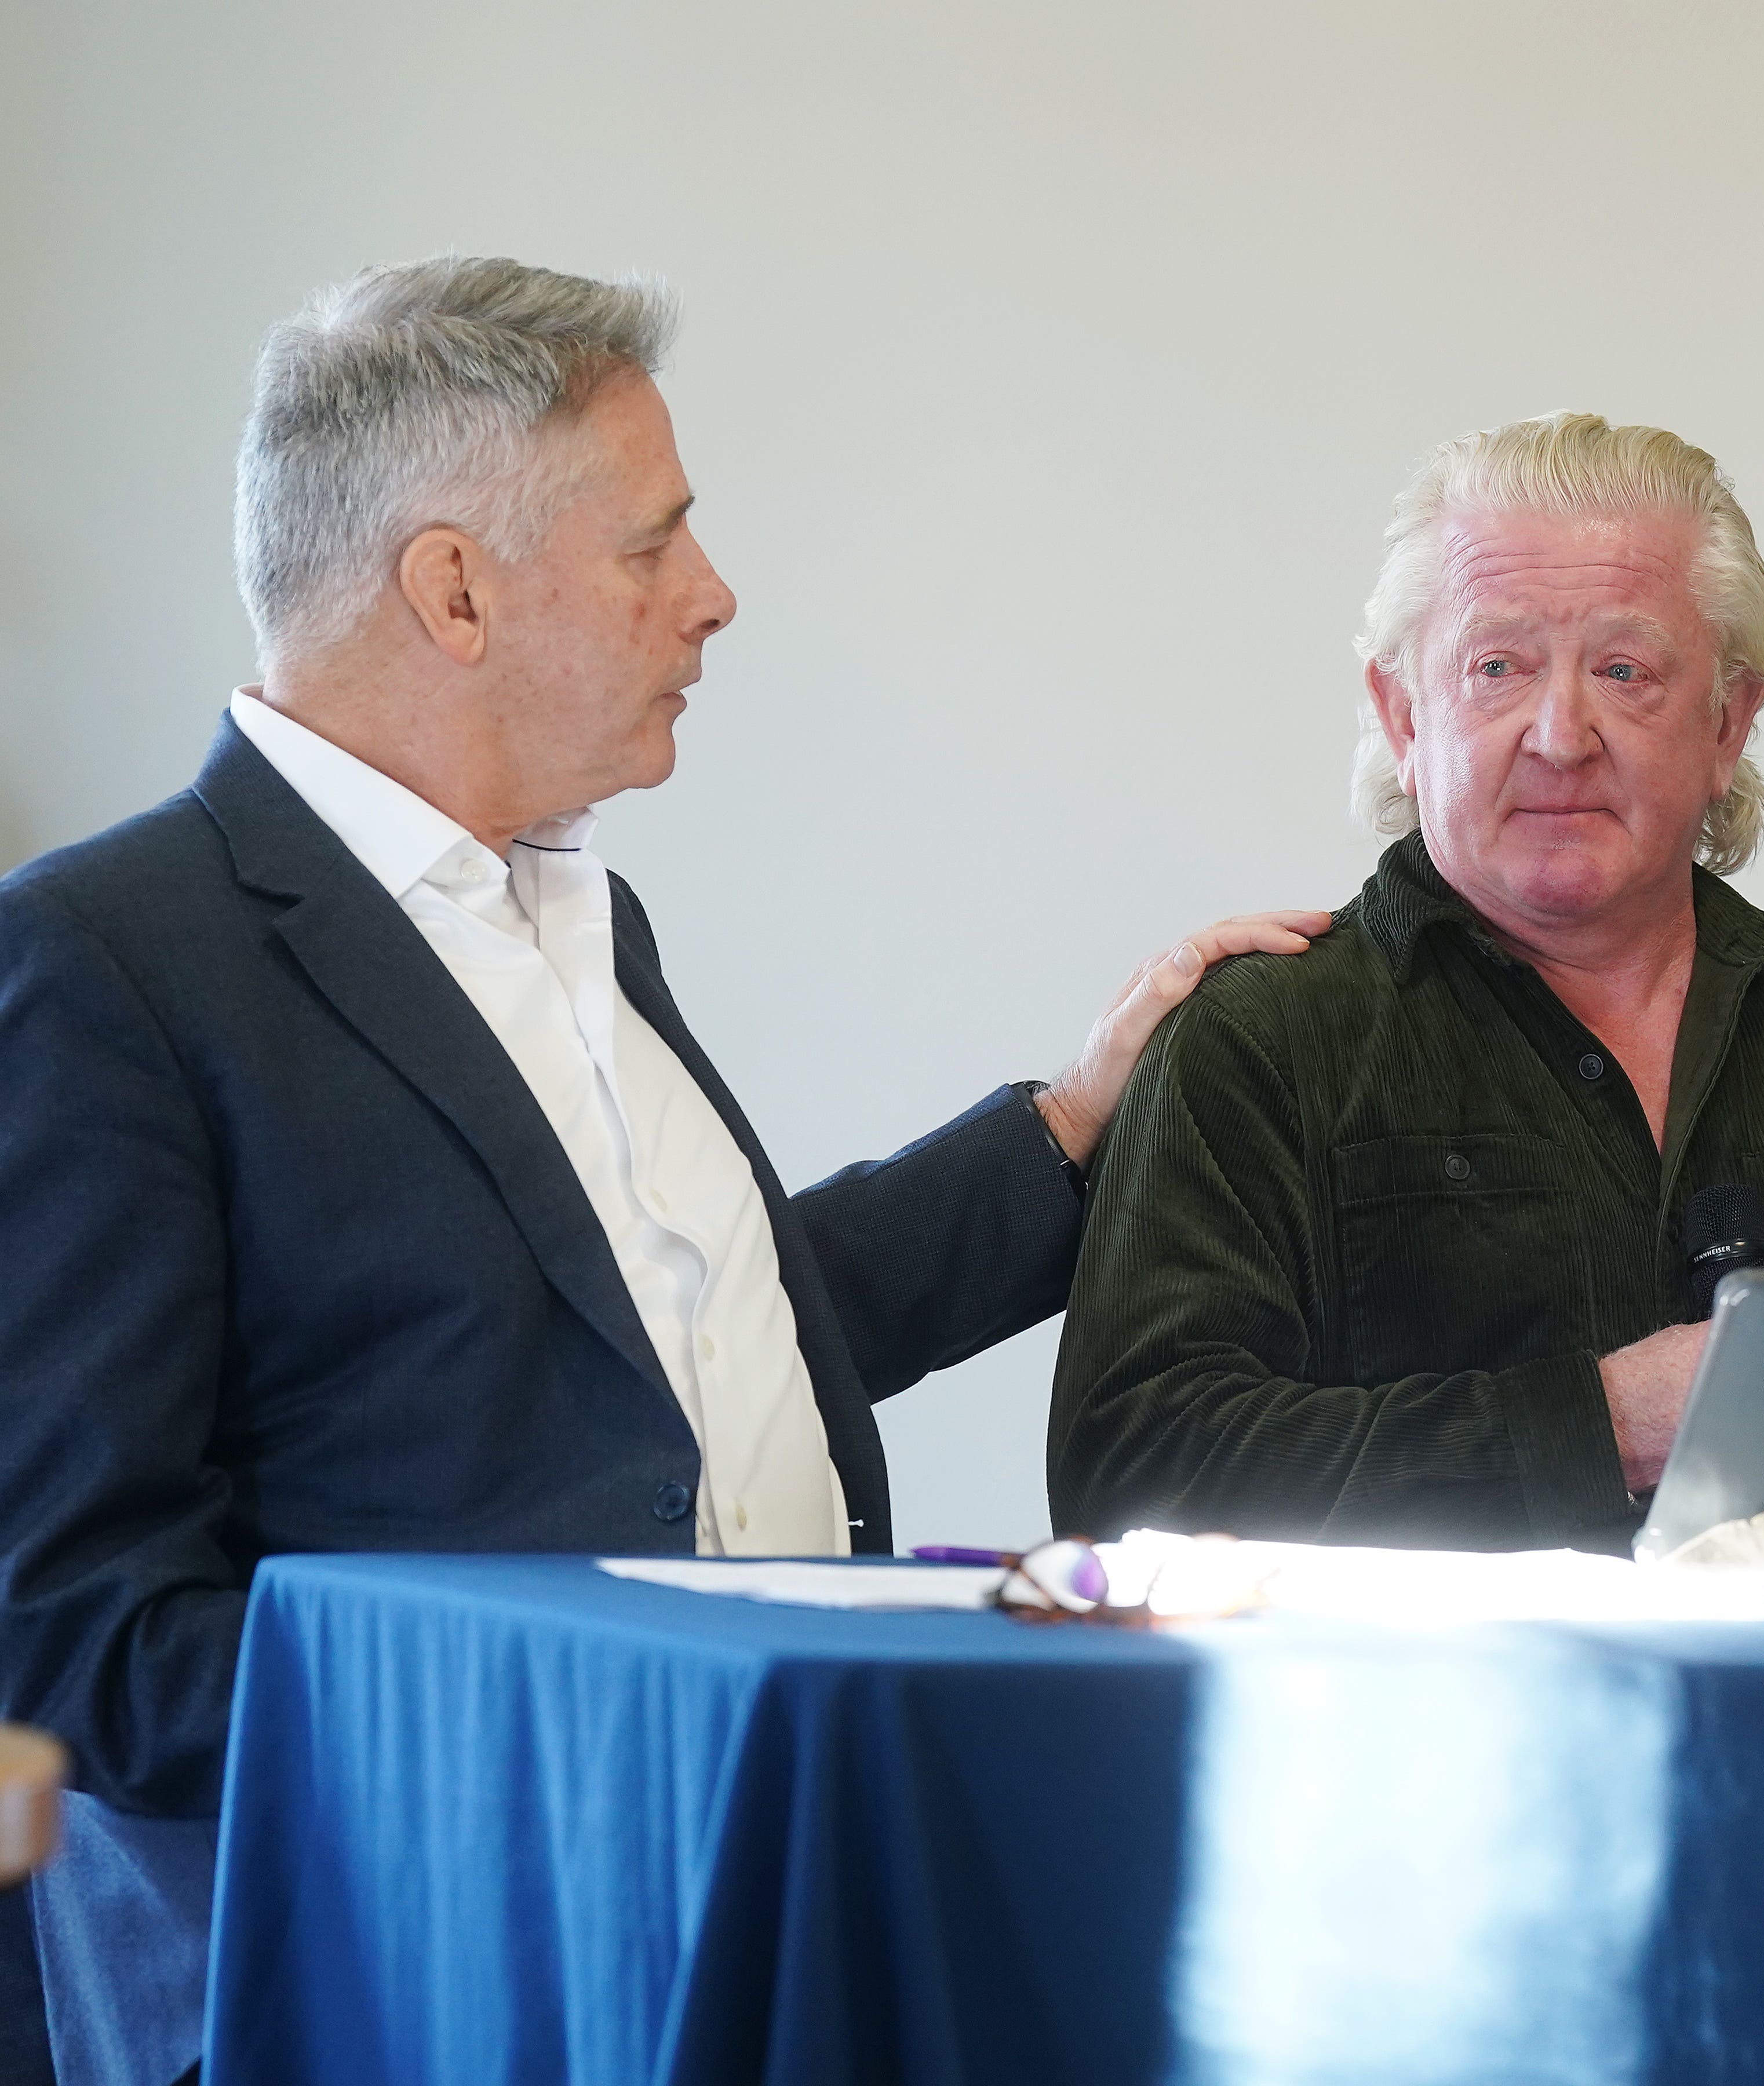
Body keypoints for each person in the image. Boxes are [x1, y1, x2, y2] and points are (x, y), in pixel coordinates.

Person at [0, 257, 1322, 2086]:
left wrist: (1069, 1130)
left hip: (734, 1948)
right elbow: (74, 1627)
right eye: (651, 547)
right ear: (454, 587)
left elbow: (684, 1355)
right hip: (397, 1998)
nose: (713, 601)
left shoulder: (586, 916)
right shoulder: (104, 963)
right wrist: (597, 1724)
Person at [1048, 413, 1764, 1552]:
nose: (1561, 734)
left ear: (1728, 722)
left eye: (1624, 670)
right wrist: (1601, 1425)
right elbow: (1134, 1480)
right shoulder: (1259, 1044)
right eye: (1498, 667)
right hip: (1409, 1725)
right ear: (1404, 716)